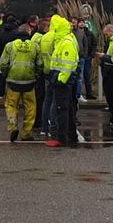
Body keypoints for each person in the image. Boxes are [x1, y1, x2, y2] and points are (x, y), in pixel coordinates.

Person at [45, 14, 79, 148]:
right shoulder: (64, 40)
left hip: (62, 79)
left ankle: (61, 138)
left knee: (61, 109)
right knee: (67, 108)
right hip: (61, 77)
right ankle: (71, 135)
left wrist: (60, 80)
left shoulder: (66, 42)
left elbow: (67, 64)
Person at [0, 24, 39, 142]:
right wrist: (36, 74)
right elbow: (40, 64)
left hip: (13, 81)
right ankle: (26, 133)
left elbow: (3, 63)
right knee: (31, 107)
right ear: (29, 32)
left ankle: (13, 128)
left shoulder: (10, 46)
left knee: (11, 105)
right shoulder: (35, 46)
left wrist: (6, 74)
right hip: (29, 82)